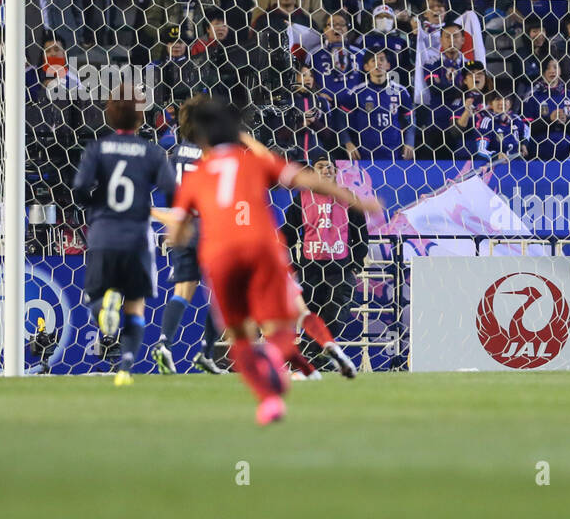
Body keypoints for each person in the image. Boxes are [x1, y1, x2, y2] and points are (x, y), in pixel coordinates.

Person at [164, 99, 382, 424]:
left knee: (239, 335)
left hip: (221, 255)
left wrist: (176, 240)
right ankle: (282, 358)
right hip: (263, 248)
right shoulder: (252, 161)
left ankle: (268, 400)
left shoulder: (198, 174)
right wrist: (356, 201)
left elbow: (179, 229)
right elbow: (307, 180)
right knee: (284, 322)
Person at [72, 85, 176, 385]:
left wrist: (95, 207)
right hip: (136, 237)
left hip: (104, 233)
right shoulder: (152, 151)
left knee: (95, 294)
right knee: (135, 305)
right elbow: (171, 190)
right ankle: (125, 369)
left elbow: (80, 187)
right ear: (141, 119)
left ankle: (103, 309)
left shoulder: (97, 148)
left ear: (109, 114)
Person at [148, 96, 224, 374]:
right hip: (209, 228)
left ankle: (164, 344)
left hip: (182, 226)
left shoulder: (177, 152)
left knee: (183, 290)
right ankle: (206, 352)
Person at [281, 152, 370, 358]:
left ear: (336, 171)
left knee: (337, 313)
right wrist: (292, 264)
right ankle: (318, 355)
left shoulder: (348, 197)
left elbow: (361, 234)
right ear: (313, 171)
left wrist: (355, 263)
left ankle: (313, 352)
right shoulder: (301, 198)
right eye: (321, 166)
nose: (326, 170)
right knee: (311, 315)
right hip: (310, 268)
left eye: (330, 166)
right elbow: (289, 233)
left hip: (340, 268)